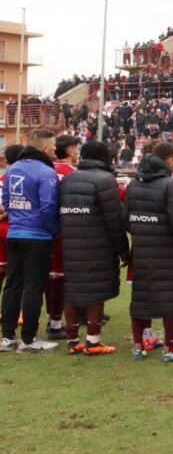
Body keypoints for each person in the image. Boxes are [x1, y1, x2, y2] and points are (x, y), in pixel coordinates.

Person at [124, 140, 173, 362]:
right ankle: (170, 350)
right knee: (171, 299)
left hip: (143, 249)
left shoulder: (133, 184)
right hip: (168, 251)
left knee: (140, 298)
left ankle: (138, 348)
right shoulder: (170, 185)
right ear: (170, 160)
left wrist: (142, 232)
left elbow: (125, 218)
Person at [58, 141, 128, 356]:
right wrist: (123, 250)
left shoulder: (68, 180)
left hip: (70, 242)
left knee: (72, 291)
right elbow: (114, 219)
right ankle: (93, 341)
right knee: (96, 292)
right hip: (98, 245)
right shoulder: (105, 180)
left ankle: (72, 342)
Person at [0, 129, 61, 353]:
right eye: (53, 147)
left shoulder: (12, 169)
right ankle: (28, 339)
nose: (55, 150)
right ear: (44, 148)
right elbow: (48, 207)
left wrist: (17, 218)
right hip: (37, 237)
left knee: (12, 285)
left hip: (14, 235)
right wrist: (54, 230)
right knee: (34, 287)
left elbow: (6, 201)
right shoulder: (46, 172)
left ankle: (7, 338)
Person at [43, 134, 79, 340]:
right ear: (71, 151)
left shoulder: (46, 169)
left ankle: (50, 318)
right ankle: (56, 323)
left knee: (49, 277)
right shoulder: (72, 173)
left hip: (42, 230)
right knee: (60, 277)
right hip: (64, 231)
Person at [0, 145, 25, 294]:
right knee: (16, 273)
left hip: (5, 230)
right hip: (14, 230)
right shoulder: (20, 177)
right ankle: (13, 312)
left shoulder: (3, 178)